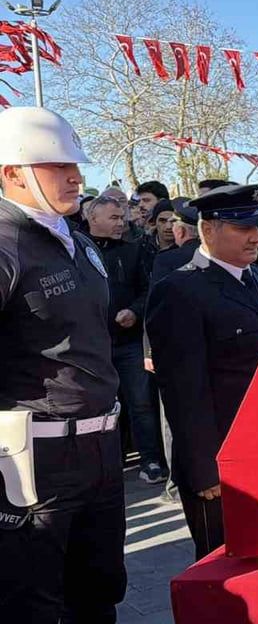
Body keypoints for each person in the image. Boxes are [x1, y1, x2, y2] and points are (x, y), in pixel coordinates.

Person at [0, 107, 126, 624]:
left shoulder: (77, 240)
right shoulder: (5, 244)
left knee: (98, 596)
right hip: (35, 458)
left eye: (74, 164)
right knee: (24, 615)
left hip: (100, 448)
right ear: (12, 173)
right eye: (57, 165)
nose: (75, 176)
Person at [146, 185, 258, 561]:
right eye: (243, 228)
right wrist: (205, 466)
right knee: (224, 564)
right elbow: (182, 389)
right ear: (208, 231)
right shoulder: (180, 290)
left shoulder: (257, 277)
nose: (256, 236)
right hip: (220, 460)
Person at [84, 197, 165, 485]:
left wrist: (134, 310)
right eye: (114, 217)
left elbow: (149, 290)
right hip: (93, 346)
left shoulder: (135, 250)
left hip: (130, 343)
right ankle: (107, 464)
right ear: (93, 219)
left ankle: (151, 459)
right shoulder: (78, 249)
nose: (121, 222)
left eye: (123, 217)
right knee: (100, 407)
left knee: (140, 402)